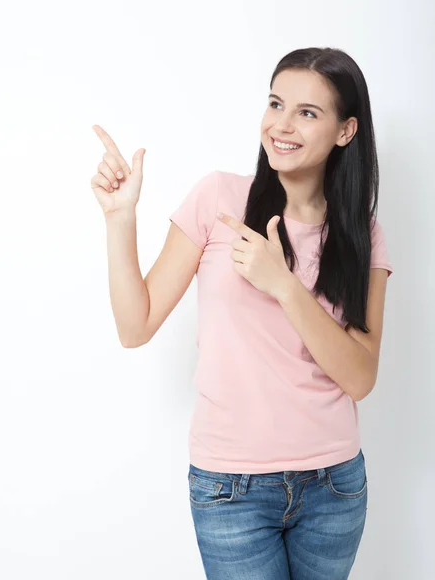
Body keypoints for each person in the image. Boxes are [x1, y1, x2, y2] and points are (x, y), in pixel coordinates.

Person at [90, 46, 393, 580]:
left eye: (307, 112)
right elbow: (134, 327)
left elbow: (361, 376)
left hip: (334, 485)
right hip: (231, 488)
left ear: (345, 131)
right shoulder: (219, 199)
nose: (282, 125)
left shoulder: (360, 233)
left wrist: (285, 285)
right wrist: (120, 220)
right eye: (276, 104)